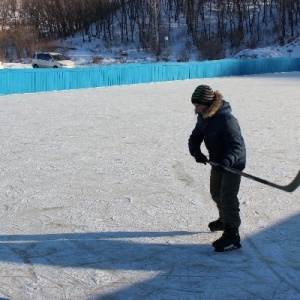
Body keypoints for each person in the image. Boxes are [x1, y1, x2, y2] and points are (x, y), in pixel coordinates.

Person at [188, 85, 246, 252]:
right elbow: (195, 136)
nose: (196, 108)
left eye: (198, 105)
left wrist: (227, 161)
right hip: (217, 162)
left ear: (208, 103)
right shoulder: (203, 117)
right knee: (216, 193)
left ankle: (232, 234)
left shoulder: (226, 120)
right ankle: (223, 220)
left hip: (233, 164)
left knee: (227, 197)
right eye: (195, 105)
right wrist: (196, 152)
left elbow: (237, 147)